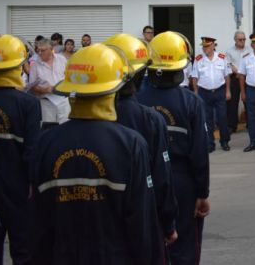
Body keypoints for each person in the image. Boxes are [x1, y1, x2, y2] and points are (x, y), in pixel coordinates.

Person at [32, 44, 161, 264]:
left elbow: (38, 222)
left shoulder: (45, 143)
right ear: (116, 87)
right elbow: (141, 222)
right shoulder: (130, 144)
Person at [138, 32, 210, 265]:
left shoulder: (136, 100)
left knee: (150, 242)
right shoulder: (191, 102)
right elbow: (200, 153)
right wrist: (202, 193)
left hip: (144, 179)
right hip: (182, 181)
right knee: (185, 245)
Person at [105, 33, 178, 250]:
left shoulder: (63, 133)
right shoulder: (151, 119)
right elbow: (161, 177)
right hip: (143, 217)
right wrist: (168, 223)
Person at [0, 35, 41, 264]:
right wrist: (32, 182)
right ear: (20, 66)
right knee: (22, 249)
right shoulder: (27, 103)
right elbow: (32, 149)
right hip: (18, 185)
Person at [190, 37, 232, 152]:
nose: (205, 48)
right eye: (203, 46)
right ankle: (210, 143)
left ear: (213, 45)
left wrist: (228, 91)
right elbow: (194, 77)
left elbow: (227, 76)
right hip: (204, 92)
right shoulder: (198, 59)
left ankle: (224, 141)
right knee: (207, 119)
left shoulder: (222, 58)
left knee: (222, 117)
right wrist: (196, 93)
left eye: (207, 46)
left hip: (219, 91)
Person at [29, 37, 71, 127]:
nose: (39, 53)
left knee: (65, 129)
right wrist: (44, 90)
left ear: (51, 49)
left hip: (63, 101)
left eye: (42, 50)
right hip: (46, 103)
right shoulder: (35, 65)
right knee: (48, 130)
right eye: (38, 50)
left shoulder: (62, 59)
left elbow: (69, 77)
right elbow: (31, 87)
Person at [225, 31, 251, 134]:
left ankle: (250, 124)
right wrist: (239, 72)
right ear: (235, 40)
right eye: (240, 39)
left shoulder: (249, 50)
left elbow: (251, 62)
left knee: (248, 101)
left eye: (244, 39)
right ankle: (232, 125)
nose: (242, 41)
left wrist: (243, 73)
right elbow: (229, 64)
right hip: (234, 78)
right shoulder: (229, 51)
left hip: (247, 78)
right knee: (232, 102)